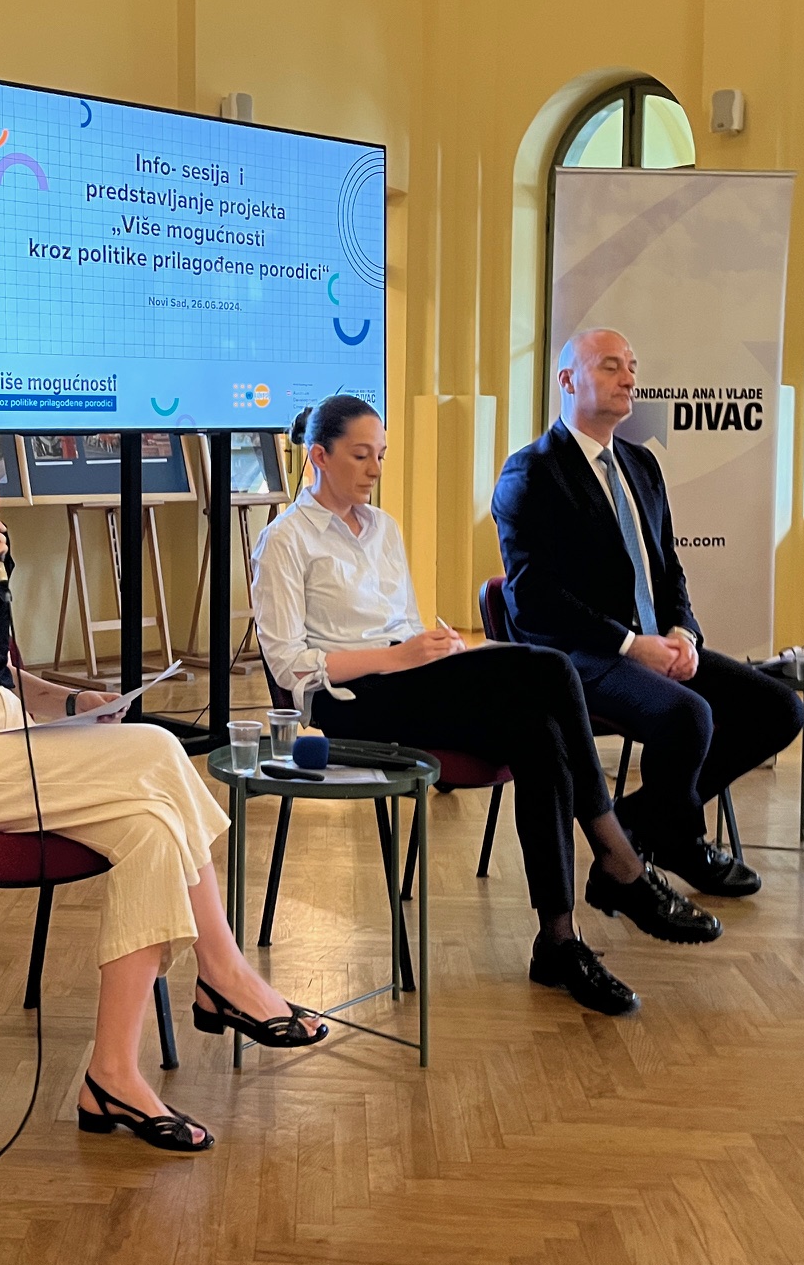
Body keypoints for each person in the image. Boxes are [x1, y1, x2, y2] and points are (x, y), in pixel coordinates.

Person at [0, 358, 323, 1154]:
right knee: (158, 749)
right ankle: (225, 973)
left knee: (151, 830)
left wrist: (69, 703)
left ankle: (111, 1076)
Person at [252, 396, 720, 1018]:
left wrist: (434, 646)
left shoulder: (383, 529)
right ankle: (618, 858)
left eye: (381, 457)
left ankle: (558, 939)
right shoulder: (284, 540)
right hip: (348, 703)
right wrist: (396, 657)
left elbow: (405, 625)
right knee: (549, 668)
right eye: (361, 455)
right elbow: (289, 666)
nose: (373, 469)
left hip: (410, 679)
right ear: (318, 456)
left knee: (536, 729)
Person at [492, 329, 804, 897]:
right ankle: (679, 840)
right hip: (577, 656)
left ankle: (635, 825)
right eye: (611, 366)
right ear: (568, 381)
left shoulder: (641, 466)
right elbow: (534, 599)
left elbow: (668, 569)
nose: (629, 378)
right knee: (689, 716)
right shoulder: (531, 472)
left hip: (656, 643)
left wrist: (683, 632)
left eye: (632, 366)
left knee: (779, 707)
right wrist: (630, 645)